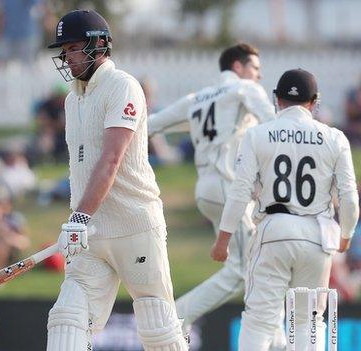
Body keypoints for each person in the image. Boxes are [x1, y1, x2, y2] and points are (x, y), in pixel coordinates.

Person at [45, 10, 188, 351]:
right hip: (90, 235)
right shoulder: (71, 99)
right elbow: (78, 167)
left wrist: (79, 217)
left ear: (99, 45)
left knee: (157, 327)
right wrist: (75, 221)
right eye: (64, 49)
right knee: (67, 320)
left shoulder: (123, 86)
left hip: (134, 226)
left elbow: (112, 159)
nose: (67, 56)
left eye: (74, 47)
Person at [211, 69, 359, 350]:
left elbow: (240, 191)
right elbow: (349, 196)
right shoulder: (335, 138)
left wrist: (223, 239)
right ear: (314, 102)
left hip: (274, 230)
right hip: (317, 235)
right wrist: (347, 234)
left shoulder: (257, 135)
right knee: (308, 322)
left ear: (276, 99)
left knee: (259, 320)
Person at [146, 43, 276, 336]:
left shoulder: (197, 98)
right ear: (239, 68)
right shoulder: (244, 89)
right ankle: (175, 317)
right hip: (230, 189)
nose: (259, 76)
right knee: (243, 270)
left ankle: (276, 340)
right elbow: (276, 127)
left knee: (262, 264)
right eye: (255, 69)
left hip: (205, 188)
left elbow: (149, 125)